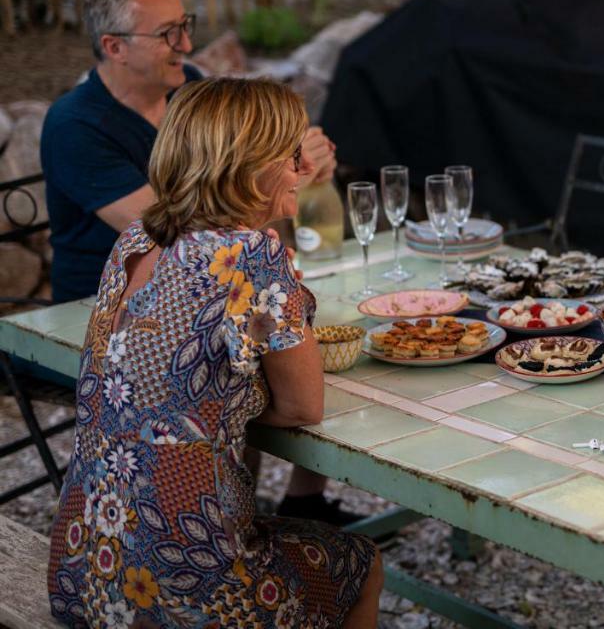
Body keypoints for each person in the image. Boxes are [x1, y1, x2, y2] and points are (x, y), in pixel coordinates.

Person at [46, 77, 383, 627]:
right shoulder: (252, 254)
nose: (305, 168)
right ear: (248, 164)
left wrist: (204, 406)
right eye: (292, 153)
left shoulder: (136, 240)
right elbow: (304, 408)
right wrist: (224, 407)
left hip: (86, 572)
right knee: (361, 562)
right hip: (188, 594)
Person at [40, 0, 353, 524]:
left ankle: (274, 504)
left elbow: (220, 227)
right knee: (279, 374)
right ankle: (238, 521)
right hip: (116, 319)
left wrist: (288, 172)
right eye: (168, 33)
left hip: (96, 546)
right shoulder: (75, 125)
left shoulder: (194, 95)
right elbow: (193, 231)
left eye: (187, 23)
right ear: (113, 46)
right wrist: (283, 180)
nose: (187, 42)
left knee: (262, 358)